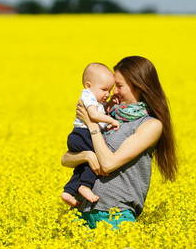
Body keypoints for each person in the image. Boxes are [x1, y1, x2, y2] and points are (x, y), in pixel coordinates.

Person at [61, 56, 178, 230]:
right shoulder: (109, 117)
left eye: (119, 86)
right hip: (80, 211)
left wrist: (92, 124)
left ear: (138, 86)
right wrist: (87, 155)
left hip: (114, 215)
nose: (113, 92)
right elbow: (65, 160)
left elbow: (108, 164)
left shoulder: (150, 125)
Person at [61, 62, 120, 206]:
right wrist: (111, 120)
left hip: (81, 135)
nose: (108, 94)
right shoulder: (87, 96)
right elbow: (93, 115)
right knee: (98, 155)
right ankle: (85, 186)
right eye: (104, 89)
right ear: (88, 86)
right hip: (83, 134)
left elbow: (99, 110)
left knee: (83, 166)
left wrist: (110, 105)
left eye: (110, 90)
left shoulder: (95, 98)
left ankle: (68, 191)